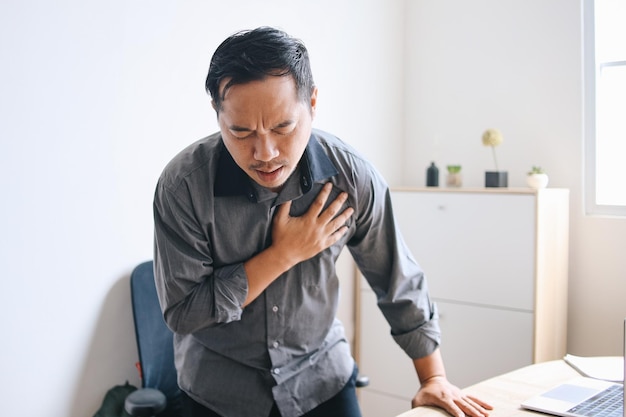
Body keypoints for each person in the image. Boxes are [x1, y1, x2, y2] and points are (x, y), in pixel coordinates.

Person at [153, 26, 492, 417]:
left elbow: (397, 278)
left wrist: (432, 378)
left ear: (312, 102)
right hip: (219, 390)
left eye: (283, 127)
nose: (265, 152)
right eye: (240, 131)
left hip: (321, 378)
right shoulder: (183, 188)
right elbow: (184, 313)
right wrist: (283, 254)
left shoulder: (351, 177)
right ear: (217, 115)